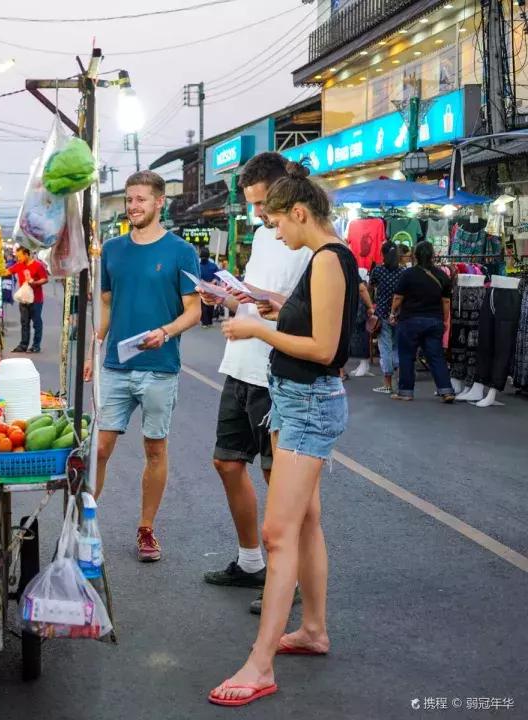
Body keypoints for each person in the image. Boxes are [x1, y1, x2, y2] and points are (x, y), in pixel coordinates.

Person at [211, 162, 357, 707]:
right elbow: (315, 325)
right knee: (306, 522)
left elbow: (323, 350)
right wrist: (273, 307)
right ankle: (313, 630)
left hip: (307, 407)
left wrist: (257, 328)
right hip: (298, 403)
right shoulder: (327, 259)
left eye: (276, 222)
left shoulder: (326, 260)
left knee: (277, 534)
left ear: (299, 213)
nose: (273, 233)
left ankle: (260, 664)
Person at [197, 152, 312, 615]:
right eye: (254, 206)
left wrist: (270, 304)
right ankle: (250, 563)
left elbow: (309, 310)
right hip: (240, 362)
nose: (261, 216)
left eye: (264, 204)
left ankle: (290, 579)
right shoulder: (266, 236)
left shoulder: (308, 241)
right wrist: (229, 297)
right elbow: (257, 291)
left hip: (276, 370)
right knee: (227, 463)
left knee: (278, 479)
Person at [83, 170, 201, 562]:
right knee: (99, 447)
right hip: (116, 365)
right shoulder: (113, 250)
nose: (133, 206)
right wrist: (94, 348)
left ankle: (146, 529)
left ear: (159, 202)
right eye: (130, 199)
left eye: (141, 199)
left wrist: (166, 332)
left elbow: (194, 311)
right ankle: (83, 522)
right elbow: (105, 304)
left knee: (155, 449)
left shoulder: (182, 252)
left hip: (159, 366)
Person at [389, 240, 455, 402]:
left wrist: (392, 313)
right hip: (434, 320)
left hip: (410, 320)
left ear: (415, 255)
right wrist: (445, 320)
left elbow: (398, 297)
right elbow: (446, 301)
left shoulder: (408, 274)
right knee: (436, 356)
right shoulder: (442, 275)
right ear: (433, 256)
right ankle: (446, 390)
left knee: (407, 356)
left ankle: (405, 392)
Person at [369, 242, 404, 393]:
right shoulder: (403, 272)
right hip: (399, 314)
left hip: (382, 313)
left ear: (382, 254)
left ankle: (388, 384)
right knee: (397, 347)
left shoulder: (378, 271)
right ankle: (400, 380)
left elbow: (371, 288)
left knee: (385, 349)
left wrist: (371, 306)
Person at [4, 246, 50, 353]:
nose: (18, 259)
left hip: (36, 299)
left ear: (27, 254)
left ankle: (36, 345)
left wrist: (35, 283)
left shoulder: (38, 266)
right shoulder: (19, 265)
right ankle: (23, 345)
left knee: (36, 323)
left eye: (20, 256)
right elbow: (8, 272)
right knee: (24, 322)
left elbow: (45, 279)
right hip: (23, 298)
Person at [198, 246, 219, 328]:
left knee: (204, 304)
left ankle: (205, 322)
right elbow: (217, 276)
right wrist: (212, 282)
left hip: (203, 287)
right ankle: (208, 321)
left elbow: (197, 277)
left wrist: (205, 283)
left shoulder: (198, 266)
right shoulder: (213, 266)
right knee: (210, 304)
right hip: (211, 287)